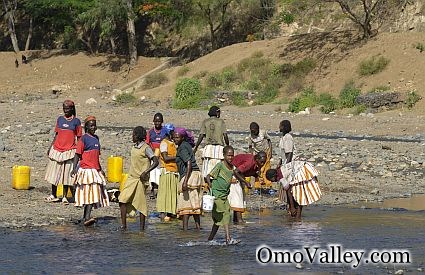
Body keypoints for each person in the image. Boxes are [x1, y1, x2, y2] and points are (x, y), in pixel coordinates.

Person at [266, 119, 321, 219]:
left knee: (297, 191)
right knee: (292, 191)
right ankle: (294, 212)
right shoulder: (283, 138)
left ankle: (296, 214)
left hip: (295, 169)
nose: (279, 127)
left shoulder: (288, 138)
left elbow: (289, 154)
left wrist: (288, 168)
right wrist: (280, 164)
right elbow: (283, 155)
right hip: (288, 167)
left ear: (284, 127)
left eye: (280, 125)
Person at [71, 116, 109, 226]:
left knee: (93, 194)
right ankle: (86, 217)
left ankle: (85, 217)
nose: (94, 127)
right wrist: (74, 168)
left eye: (95, 125)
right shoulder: (83, 139)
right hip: (86, 170)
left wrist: (101, 170)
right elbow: (77, 155)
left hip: (95, 170)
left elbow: (96, 157)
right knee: (89, 194)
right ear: (86, 127)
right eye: (91, 125)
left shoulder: (96, 139)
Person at [119, 126, 159, 230]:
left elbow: (155, 161)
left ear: (137, 136)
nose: (132, 137)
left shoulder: (146, 148)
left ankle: (141, 229)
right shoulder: (134, 147)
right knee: (122, 200)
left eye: (133, 135)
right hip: (132, 178)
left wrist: (146, 172)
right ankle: (123, 226)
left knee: (141, 205)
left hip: (141, 180)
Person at [45, 100, 82, 203]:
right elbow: (56, 135)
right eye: (64, 108)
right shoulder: (60, 120)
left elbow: (79, 138)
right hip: (57, 149)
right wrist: (50, 147)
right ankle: (53, 194)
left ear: (72, 109)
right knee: (54, 173)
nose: (66, 110)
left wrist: (79, 151)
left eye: (68, 108)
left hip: (69, 150)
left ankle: (65, 196)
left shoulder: (76, 122)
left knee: (66, 174)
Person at [173, 127, 203, 230]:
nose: (175, 139)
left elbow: (189, 162)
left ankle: (185, 230)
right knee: (194, 204)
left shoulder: (182, 148)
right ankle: (198, 228)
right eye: (174, 137)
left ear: (182, 138)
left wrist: (185, 181)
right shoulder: (186, 146)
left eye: (177, 137)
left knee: (185, 205)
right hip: (195, 175)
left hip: (189, 175)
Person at [206, 146, 236, 244]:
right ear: (224, 155)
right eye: (228, 155)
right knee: (225, 215)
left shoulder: (232, 167)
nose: (230, 158)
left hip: (224, 196)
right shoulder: (220, 165)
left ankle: (210, 239)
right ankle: (228, 238)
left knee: (218, 221)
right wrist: (210, 187)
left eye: (232, 156)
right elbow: (208, 176)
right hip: (217, 195)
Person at [230, 151, 267, 223]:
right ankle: (240, 220)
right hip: (233, 171)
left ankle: (236, 220)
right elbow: (236, 171)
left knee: (240, 195)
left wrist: (257, 176)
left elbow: (250, 172)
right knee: (238, 196)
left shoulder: (256, 164)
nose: (262, 164)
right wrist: (246, 182)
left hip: (239, 173)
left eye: (264, 162)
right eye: (261, 162)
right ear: (257, 159)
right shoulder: (250, 163)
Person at [193, 106, 229, 179]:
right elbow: (225, 135)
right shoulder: (221, 122)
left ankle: (207, 186)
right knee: (218, 171)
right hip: (219, 149)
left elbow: (201, 135)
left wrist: (196, 147)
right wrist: (228, 146)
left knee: (207, 170)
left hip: (208, 149)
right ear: (217, 112)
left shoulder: (205, 122)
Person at [156, 123, 179, 221]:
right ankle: (162, 212)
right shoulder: (164, 143)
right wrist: (177, 157)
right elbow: (165, 157)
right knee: (165, 193)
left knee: (172, 193)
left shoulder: (173, 143)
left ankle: (171, 212)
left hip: (174, 171)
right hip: (167, 171)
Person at [146, 113, 167, 199]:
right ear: (153, 121)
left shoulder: (165, 131)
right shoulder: (150, 132)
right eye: (156, 121)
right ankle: (152, 189)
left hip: (162, 155)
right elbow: (147, 143)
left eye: (159, 121)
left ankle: (160, 189)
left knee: (160, 172)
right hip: (153, 155)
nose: (157, 123)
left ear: (162, 122)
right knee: (152, 172)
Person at [247, 122, 273, 192]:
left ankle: (268, 186)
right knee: (258, 171)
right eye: (252, 132)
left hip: (266, 153)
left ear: (258, 129)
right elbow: (250, 147)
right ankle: (257, 187)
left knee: (267, 169)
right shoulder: (250, 137)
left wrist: (271, 152)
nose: (254, 133)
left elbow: (269, 140)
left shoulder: (263, 132)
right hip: (258, 155)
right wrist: (251, 156)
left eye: (255, 131)